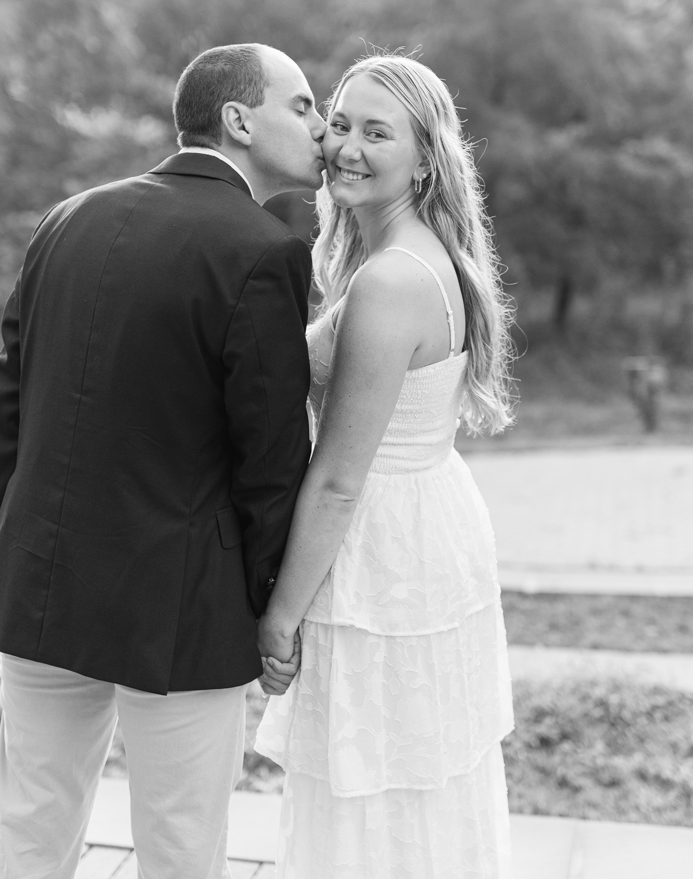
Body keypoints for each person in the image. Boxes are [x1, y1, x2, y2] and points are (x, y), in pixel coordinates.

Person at [0, 43, 323, 879]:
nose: (322, 128)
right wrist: (275, 607)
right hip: (180, 611)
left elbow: (8, 416)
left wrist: (7, 551)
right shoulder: (263, 250)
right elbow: (271, 462)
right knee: (179, 845)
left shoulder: (67, 218)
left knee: (29, 825)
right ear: (238, 120)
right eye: (304, 105)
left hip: (42, 584)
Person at [255, 53, 516, 878]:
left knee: (373, 785)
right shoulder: (393, 257)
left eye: (378, 132)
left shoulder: (392, 281)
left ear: (426, 157)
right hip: (422, 518)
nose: (347, 147)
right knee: (402, 778)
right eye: (338, 124)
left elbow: (336, 480)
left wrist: (279, 617)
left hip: (381, 545)